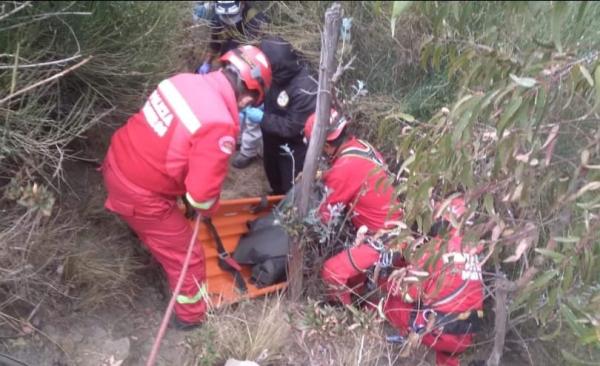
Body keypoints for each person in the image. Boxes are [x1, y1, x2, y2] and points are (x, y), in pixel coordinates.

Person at [101, 45, 272, 330]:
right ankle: (190, 317)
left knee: (174, 220)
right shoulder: (219, 123)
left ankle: (145, 235)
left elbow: (170, 145)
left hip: (117, 162)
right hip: (140, 195)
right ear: (248, 96)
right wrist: (208, 208)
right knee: (188, 258)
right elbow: (202, 197)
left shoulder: (181, 81)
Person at [303, 109, 405, 306]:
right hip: (396, 232)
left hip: (384, 239)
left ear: (324, 145)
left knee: (332, 272)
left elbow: (322, 216)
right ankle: (361, 293)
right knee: (354, 277)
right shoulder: (362, 147)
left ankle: (345, 312)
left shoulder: (345, 167)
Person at [383, 196, 484, 366]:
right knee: (448, 354)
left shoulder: (435, 249)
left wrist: (387, 281)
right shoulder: (475, 250)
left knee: (391, 305)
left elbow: (409, 294)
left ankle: (398, 340)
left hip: (439, 330)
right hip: (466, 334)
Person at [194, 1, 269, 169]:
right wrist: (206, 63)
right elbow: (215, 43)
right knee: (232, 103)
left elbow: (254, 51)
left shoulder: (255, 19)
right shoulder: (217, 16)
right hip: (231, 58)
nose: (228, 19)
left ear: (241, 4)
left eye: (231, 16)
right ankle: (236, 137)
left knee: (251, 109)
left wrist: (254, 82)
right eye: (225, 16)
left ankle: (248, 150)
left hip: (253, 63)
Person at [241, 36, 317, 195]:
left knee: (290, 185)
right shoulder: (275, 73)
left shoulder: (305, 88)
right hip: (271, 136)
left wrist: (263, 118)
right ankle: (276, 194)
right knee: (272, 173)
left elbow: (293, 127)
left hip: (292, 147)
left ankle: (286, 207)